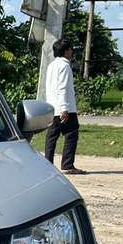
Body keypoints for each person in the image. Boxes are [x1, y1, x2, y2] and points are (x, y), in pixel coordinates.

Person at [44, 38, 86, 175]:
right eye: (70, 49)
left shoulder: (51, 65)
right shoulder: (64, 66)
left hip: (52, 106)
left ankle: (47, 163)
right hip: (65, 107)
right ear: (66, 51)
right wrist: (64, 108)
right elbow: (62, 88)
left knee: (52, 136)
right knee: (72, 133)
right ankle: (68, 164)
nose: (71, 51)